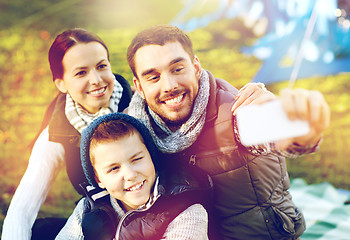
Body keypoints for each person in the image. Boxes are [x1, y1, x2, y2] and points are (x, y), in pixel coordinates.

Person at [125, 24, 330, 239]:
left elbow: (281, 136)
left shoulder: (235, 110)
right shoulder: (135, 126)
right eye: (153, 77)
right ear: (139, 87)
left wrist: (302, 129)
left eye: (177, 69)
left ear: (196, 67)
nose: (169, 85)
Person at [1, 28, 133, 240]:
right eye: (81, 73)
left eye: (101, 66)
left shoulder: (138, 107)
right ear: (61, 83)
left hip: (151, 214)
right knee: (40, 232)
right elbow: (22, 210)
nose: (97, 80)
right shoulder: (56, 134)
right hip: (100, 222)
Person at [55, 112, 212, 240]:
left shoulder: (187, 211)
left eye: (137, 159)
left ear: (151, 157)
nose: (130, 175)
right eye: (114, 169)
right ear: (98, 180)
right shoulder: (87, 208)